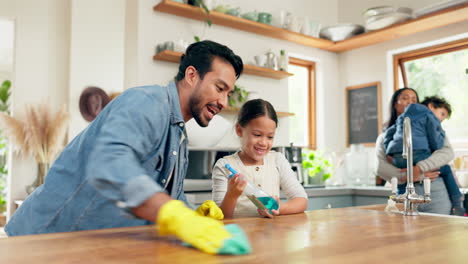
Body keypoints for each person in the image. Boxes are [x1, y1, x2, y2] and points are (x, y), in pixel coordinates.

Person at [6, 40, 246, 254]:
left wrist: (192, 213)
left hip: (89, 249)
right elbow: (111, 163)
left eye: (228, 93)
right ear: (192, 75)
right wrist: (176, 216)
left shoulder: (179, 134)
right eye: (219, 88)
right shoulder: (146, 102)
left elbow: (166, 193)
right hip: (41, 243)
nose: (223, 102)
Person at [211, 99, 308, 218]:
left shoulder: (277, 160)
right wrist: (232, 195)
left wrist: (278, 208)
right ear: (239, 130)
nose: (263, 142)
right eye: (257, 135)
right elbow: (219, 217)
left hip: (272, 235)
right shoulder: (224, 166)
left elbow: (301, 200)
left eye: (270, 137)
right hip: (238, 235)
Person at [375, 88, 454, 215]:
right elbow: (381, 168)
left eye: (414, 100)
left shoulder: (428, 126)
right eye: (405, 98)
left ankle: (457, 202)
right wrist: (415, 175)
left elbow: (447, 153)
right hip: (403, 196)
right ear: (395, 103)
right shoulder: (385, 135)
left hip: (436, 195)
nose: (410, 103)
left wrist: (420, 167)